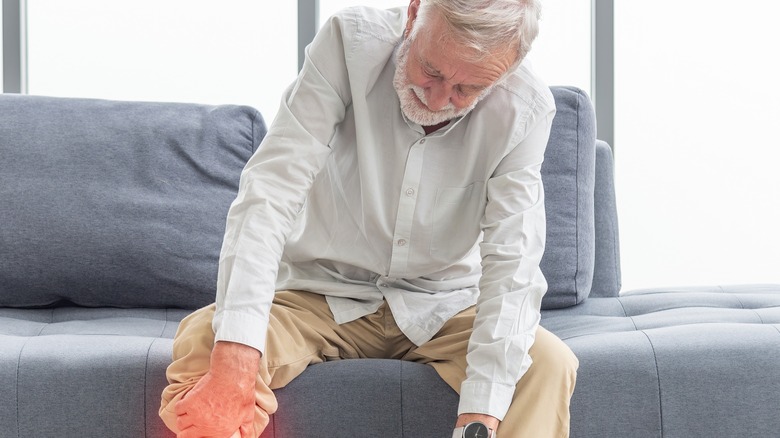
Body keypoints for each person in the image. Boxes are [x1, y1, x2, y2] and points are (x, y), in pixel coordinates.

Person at [160, 0, 579, 437]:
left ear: (508, 69)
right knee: (212, 342)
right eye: (431, 70)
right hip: (320, 292)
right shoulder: (349, 42)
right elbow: (270, 193)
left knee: (546, 364)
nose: (438, 100)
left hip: (443, 305)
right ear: (415, 14)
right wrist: (237, 359)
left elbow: (513, 265)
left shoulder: (526, 110)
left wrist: (482, 418)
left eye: (467, 89)